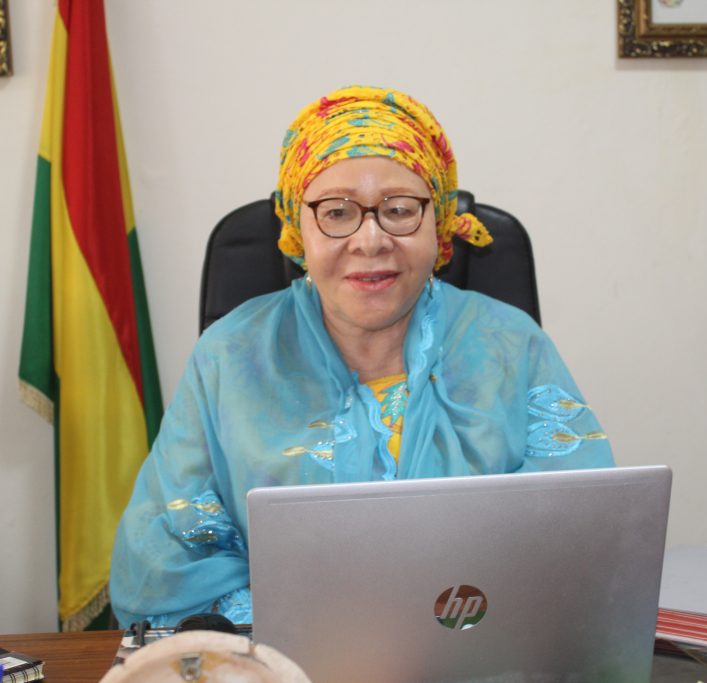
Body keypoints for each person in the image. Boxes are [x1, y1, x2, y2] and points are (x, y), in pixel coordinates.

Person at [110, 85, 614, 628]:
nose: (370, 241)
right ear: (297, 228)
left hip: (481, 649)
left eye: (399, 210)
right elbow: (167, 562)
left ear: (438, 221)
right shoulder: (229, 357)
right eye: (336, 212)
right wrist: (315, 631)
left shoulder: (512, 347)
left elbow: (581, 537)